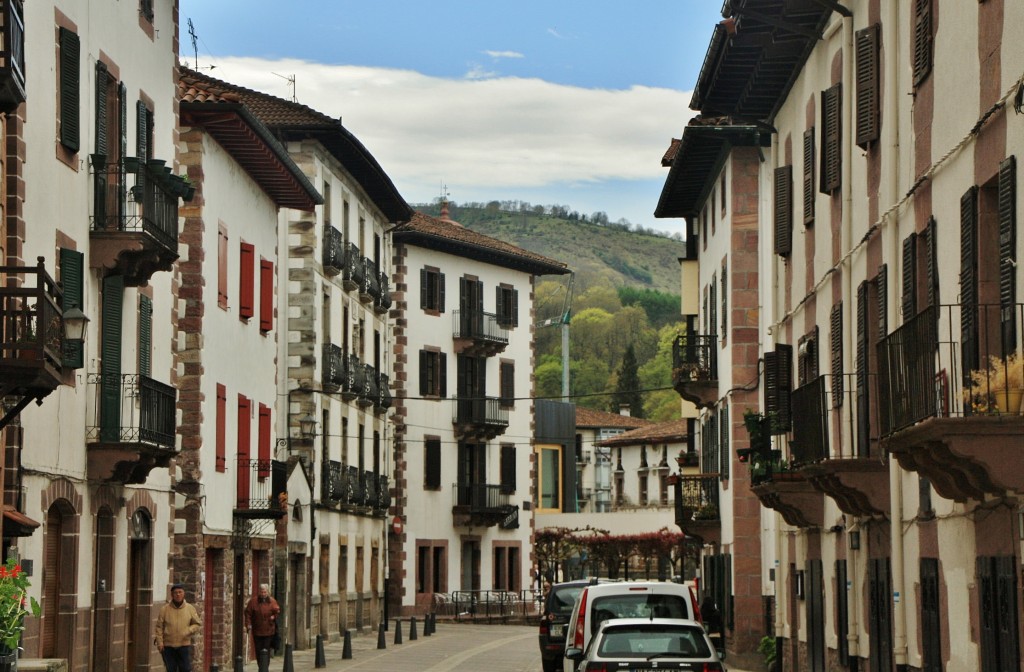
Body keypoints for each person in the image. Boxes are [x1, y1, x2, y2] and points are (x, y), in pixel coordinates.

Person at [154, 583, 202, 672]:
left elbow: (197, 624)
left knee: (185, 669)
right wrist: (160, 642)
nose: (178, 595)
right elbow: (159, 627)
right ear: (172, 595)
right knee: (171, 669)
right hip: (168, 646)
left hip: (184, 645)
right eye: (175, 593)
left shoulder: (190, 608)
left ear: (184, 594)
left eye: (180, 592)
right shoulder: (164, 609)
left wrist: (189, 630)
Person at [244, 583, 281, 656]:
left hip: (269, 630)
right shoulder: (253, 602)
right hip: (257, 629)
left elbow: (277, 611)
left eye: (265, 592)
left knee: (266, 650)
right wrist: (248, 624)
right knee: (258, 649)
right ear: (259, 592)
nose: (263, 594)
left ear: (267, 592)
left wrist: (274, 616)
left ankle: (265, 666)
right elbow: (248, 613)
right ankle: (260, 665)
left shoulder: (272, 601)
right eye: (262, 592)